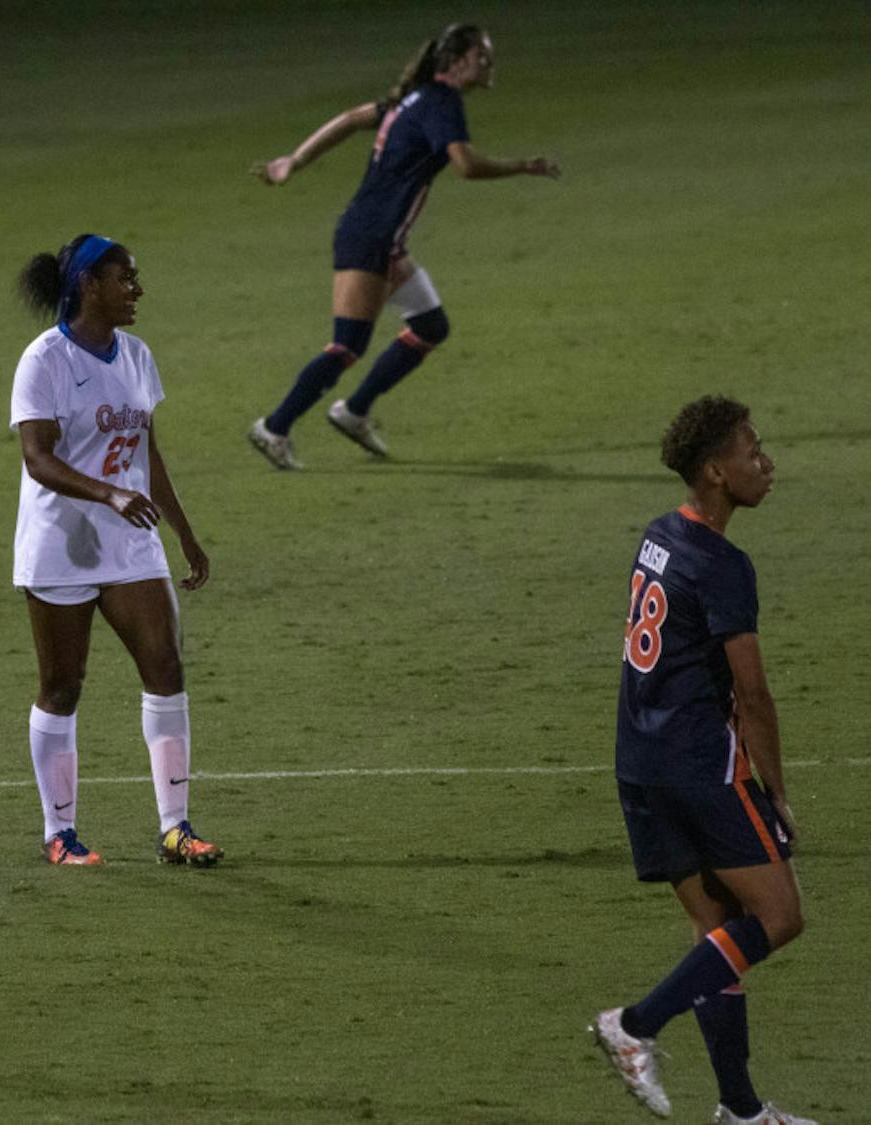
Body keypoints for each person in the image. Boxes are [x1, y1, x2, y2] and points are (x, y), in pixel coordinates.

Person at [591, 397, 815, 1125]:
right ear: (716, 471)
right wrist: (775, 790)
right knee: (778, 915)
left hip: (640, 760)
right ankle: (636, 1023)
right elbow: (752, 691)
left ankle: (741, 1111)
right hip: (698, 766)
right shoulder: (724, 566)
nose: (766, 461)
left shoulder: (660, 535)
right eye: (752, 451)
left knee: (716, 932)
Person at [246, 23, 560, 469]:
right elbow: (466, 166)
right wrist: (524, 166)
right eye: (482, 57)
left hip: (378, 237)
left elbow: (352, 119)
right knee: (346, 347)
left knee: (431, 325)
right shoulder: (441, 103)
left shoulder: (410, 100)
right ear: (455, 62)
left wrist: (295, 160)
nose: (490, 65)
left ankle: (354, 412)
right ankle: (274, 427)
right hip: (373, 236)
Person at [10, 232, 223, 868]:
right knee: (63, 685)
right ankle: (59, 833)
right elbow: (37, 457)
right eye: (124, 278)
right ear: (89, 286)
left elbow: (145, 451)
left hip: (130, 541)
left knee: (166, 667)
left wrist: (183, 530)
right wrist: (108, 495)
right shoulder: (43, 360)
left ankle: (175, 828)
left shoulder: (135, 355)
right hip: (62, 544)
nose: (137, 289)